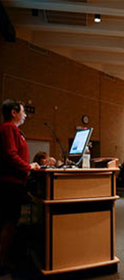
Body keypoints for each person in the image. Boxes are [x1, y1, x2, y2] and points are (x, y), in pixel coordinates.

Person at [0, 99, 40, 273]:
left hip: (14, 182)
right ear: (13, 113)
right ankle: (3, 262)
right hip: (10, 183)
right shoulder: (8, 128)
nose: (25, 115)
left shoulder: (12, 129)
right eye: (22, 111)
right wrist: (28, 166)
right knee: (9, 222)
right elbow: (10, 154)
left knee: (9, 221)